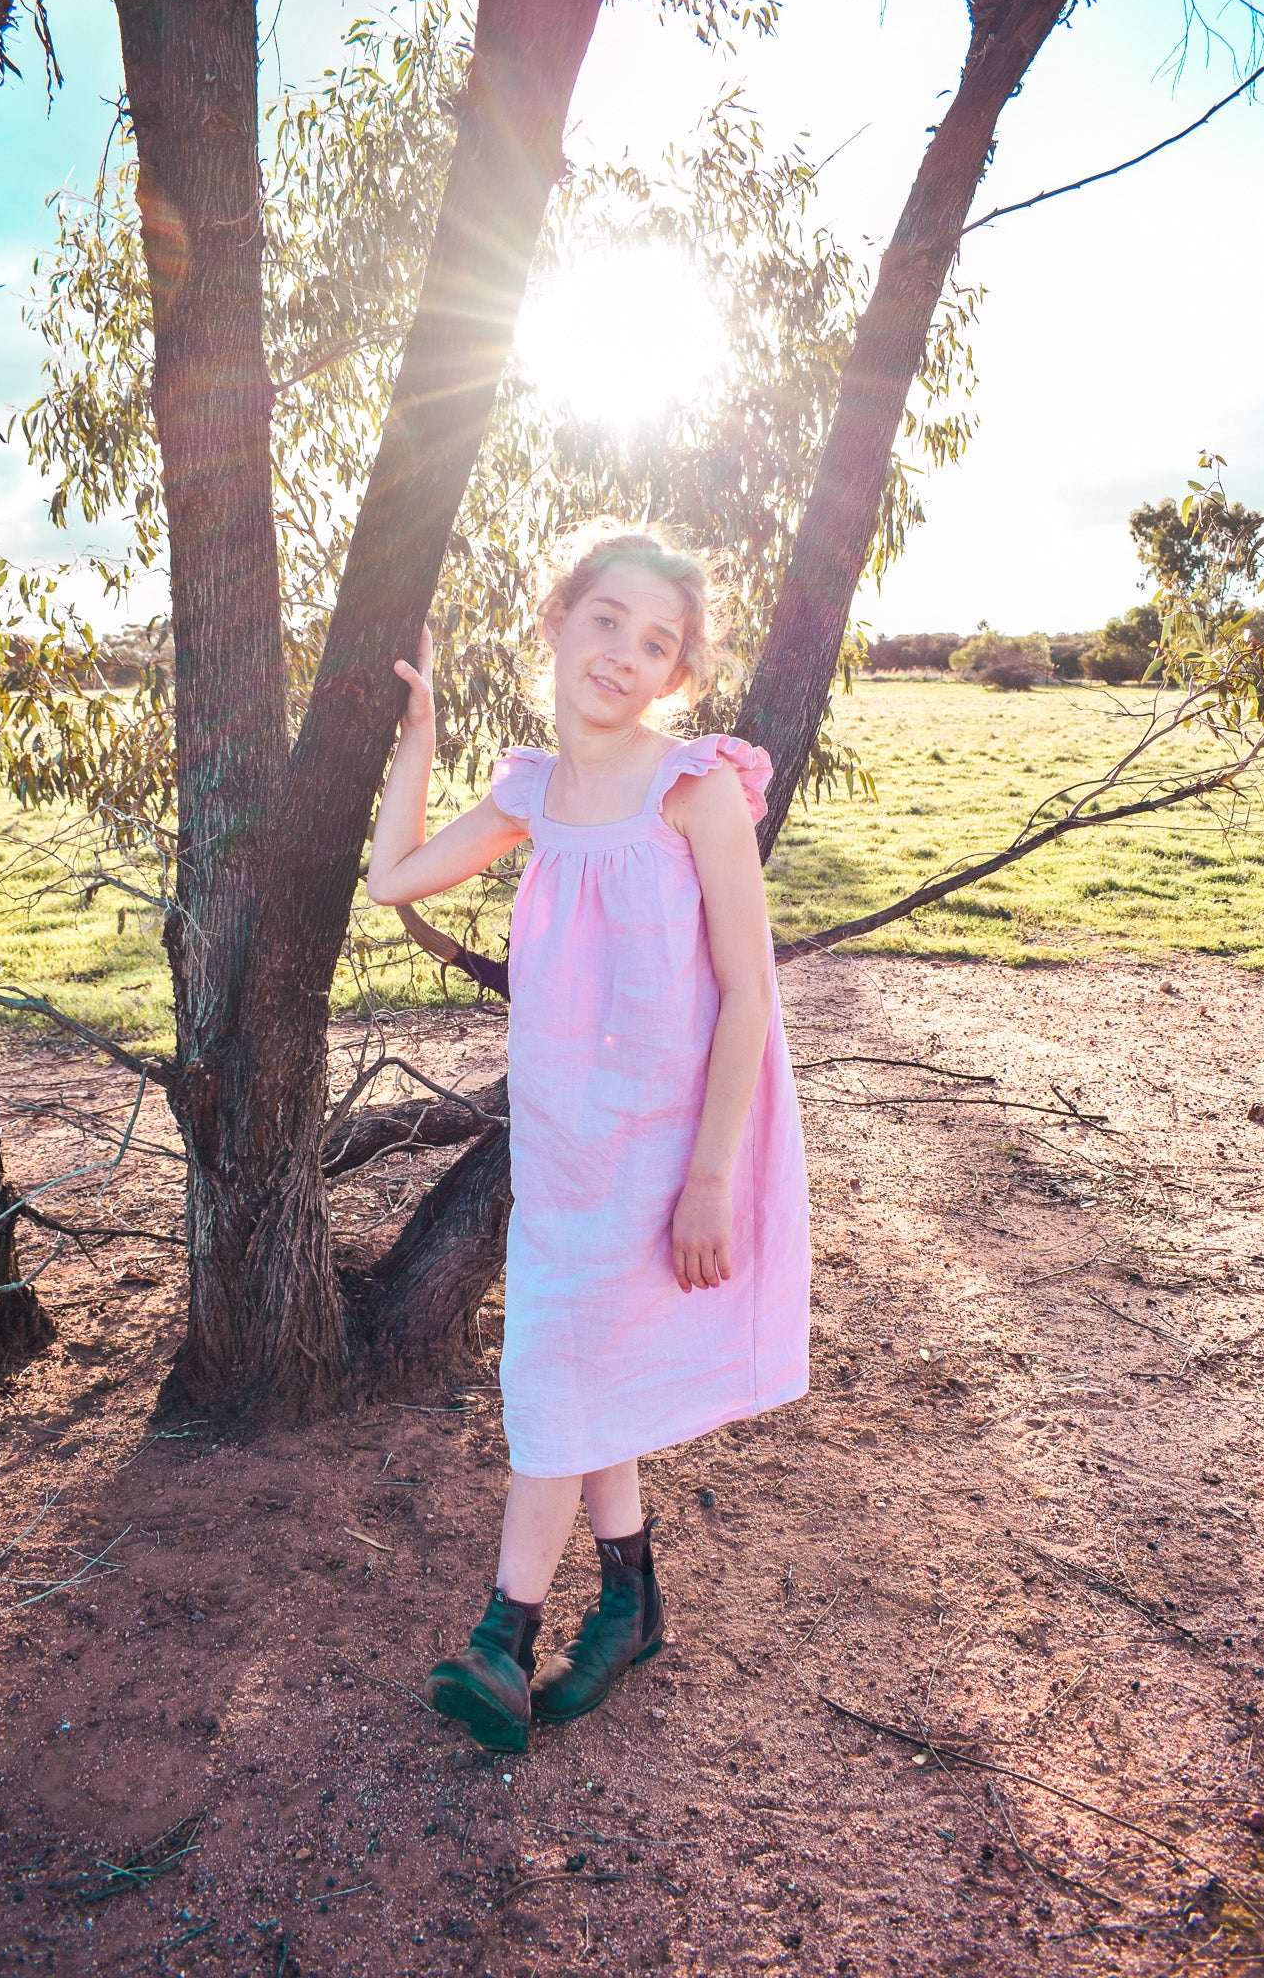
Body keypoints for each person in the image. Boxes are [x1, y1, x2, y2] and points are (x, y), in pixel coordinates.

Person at [365, 529, 810, 1753]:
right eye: (605, 619)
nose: (622, 653)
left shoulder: (696, 786)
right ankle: (629, 1599)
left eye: (654, 641)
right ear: (558, 619)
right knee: (577, 1371)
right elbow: (393, 878)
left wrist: (713, 1174)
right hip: (564, 1146)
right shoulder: (527, 792)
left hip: (668, 1150)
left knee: (553, 1373)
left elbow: (747, 991)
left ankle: (502, 1637)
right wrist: (419, 738)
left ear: (676, 674)